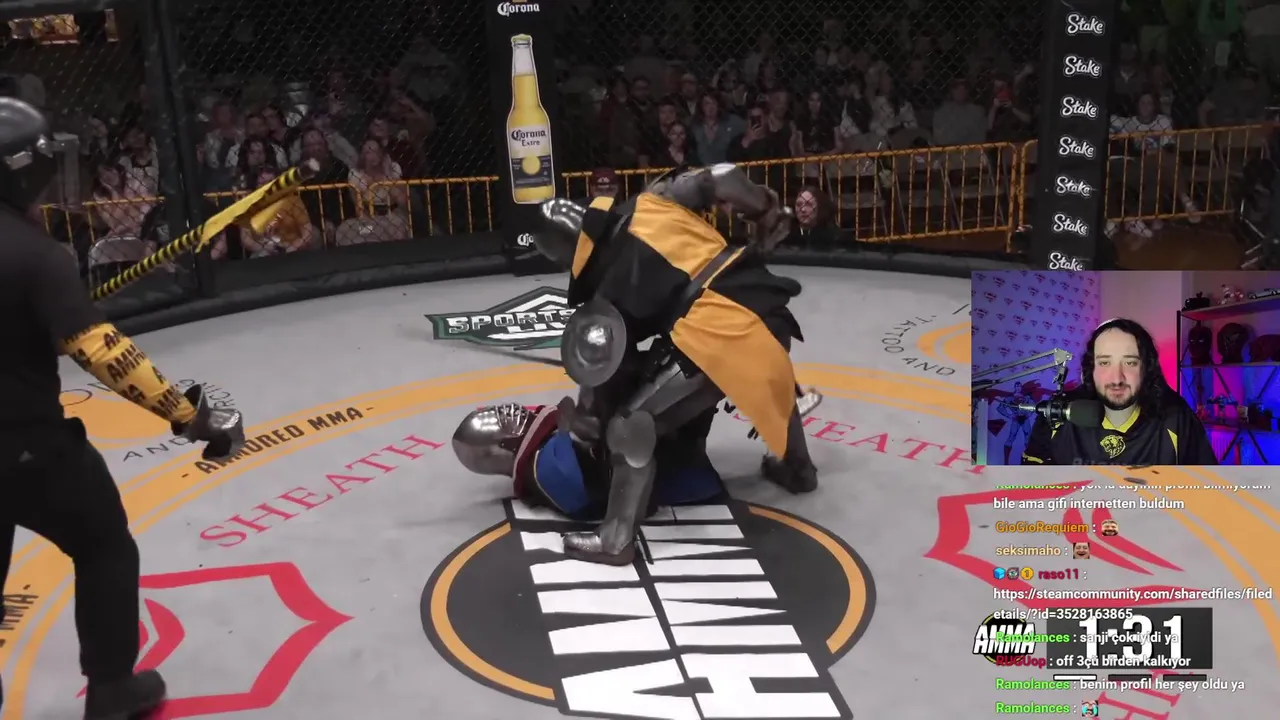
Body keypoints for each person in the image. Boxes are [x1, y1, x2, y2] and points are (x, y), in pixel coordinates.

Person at [0, 97, 247, 718]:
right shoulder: (33, 255)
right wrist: (188, 416)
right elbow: (103, 352)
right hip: (25, 448)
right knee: (103, 543)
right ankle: (111, 687)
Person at [529, 162, 814, 565]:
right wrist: (764, 209)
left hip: (721, 338)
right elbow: (721, 176)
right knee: (763, 363)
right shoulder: (654, 202)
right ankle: (799, 469)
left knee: (631, 424)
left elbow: (602, 386)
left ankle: (615, 539)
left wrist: (589, 420)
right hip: (766, 305)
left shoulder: (604, 298)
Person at [453, 389, 823, 522]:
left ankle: (793, 453)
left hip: (667, 448)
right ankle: (796, 462)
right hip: (672, 463)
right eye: (498, 420)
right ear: (500, 448)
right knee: (708, 363)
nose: (505, 410)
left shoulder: (545, 457)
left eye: (496, 410)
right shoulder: (548, 470)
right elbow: (609, 462)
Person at [1022, 318, 1216, 466]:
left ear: (1146, 368)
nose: (1116, 379)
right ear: (1091, 369)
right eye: (1104, 363)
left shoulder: (1177, 418)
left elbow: (1208, 493)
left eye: (1130, 363)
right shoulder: (1057, 416)